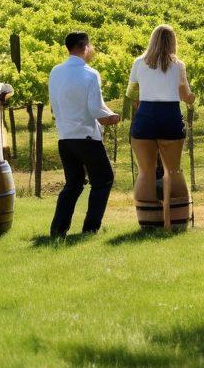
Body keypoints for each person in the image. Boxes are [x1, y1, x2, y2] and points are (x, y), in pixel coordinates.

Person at [48, 30, 121, 237]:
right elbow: (95, 109)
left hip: (65, 137)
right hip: (86, 137)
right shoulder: (90, 73)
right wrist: (113, 117)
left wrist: (106, 112)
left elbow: (55, 104)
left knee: (74, 182)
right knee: (104, 179)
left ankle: (58, 229)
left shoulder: (55, 71)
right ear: (85, 46)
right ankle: (90, 228)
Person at [127, 24, 195, 230]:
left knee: (146, 171)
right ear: (173, 42)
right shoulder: (178, 65)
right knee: (172, 170)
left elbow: (131, 94)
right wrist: (192, 97)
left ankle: (149, 223)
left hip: (145, 117)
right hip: (170, 117)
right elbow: (186, 97)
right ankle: (177, 222)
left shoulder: (139, 62)